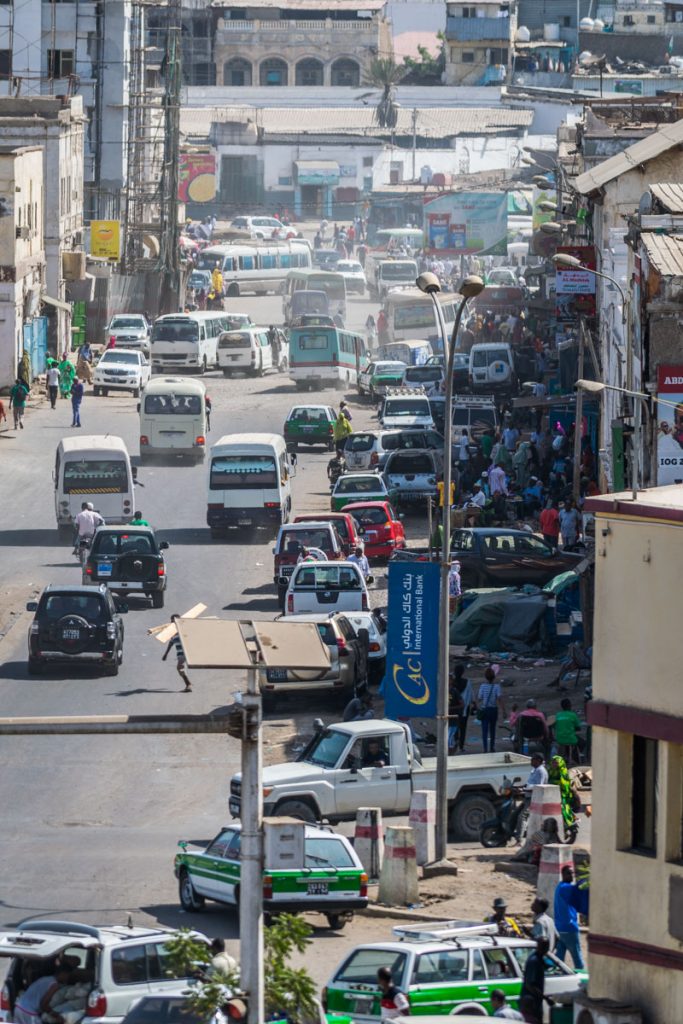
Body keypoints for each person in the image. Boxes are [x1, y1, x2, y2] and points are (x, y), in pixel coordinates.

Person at [554, 865, 586, 970]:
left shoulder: (560, 886)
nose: (572, 875)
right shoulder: (566, 888)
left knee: (558, 960)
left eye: (573, 873)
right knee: (578, 959)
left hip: (559, 928)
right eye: (569, 873)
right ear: (562, 874)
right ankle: (584, 982)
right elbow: (579, 889)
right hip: (570, 928)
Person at [520, 937, 551, 1024]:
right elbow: (530, 985)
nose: (545, 949)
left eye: (546, 946)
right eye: (543, 946)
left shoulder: (539, 958)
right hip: (530, 1004)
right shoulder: (534, 961)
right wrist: (545, 997)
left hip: (536, 1002)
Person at [162, 613, 192, 692]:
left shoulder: (183, 629)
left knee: (179, 667)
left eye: (175, 621)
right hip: (179, 654)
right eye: (172, 621)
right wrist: (166, 654)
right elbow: (171, 643)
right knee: (180, 669)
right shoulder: (172, 632)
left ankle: (188, 685)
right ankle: (188, 684)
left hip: (185, 652)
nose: (173, 623)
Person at [477, 666, 504, 752]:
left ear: (485, 677)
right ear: (494, 677)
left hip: (485, 710)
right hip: (493, 710)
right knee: (492, 730)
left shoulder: (482, 686)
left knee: (484, 731)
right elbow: (499, 699)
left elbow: (480, 698)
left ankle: (485, 748)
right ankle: (492, 747)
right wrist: (504, 710)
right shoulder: (497, 687)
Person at [548, 755, 577, 833]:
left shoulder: (562, 770)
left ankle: (569, 822)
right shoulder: (550, 770)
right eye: (553, 763)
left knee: (563, 807)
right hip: (552, 792)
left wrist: (552, 782)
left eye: (556, 763)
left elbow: (563, 784)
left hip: (563, 793)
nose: (554, 764)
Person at [449, 664, 473, 752]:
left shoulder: (452, 684)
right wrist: (473, 704)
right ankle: (461, 746)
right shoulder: (467, 682)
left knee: (454, 727)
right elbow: (470, 696)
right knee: (463, 728)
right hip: (464, 709)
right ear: (463, 672)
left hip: (453, 709)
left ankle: (455, 743)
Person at [554, 697, 583, 764]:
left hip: (560, 739)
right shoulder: (573, 715)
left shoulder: (558, 715)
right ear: (570, 706)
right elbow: (578, 728)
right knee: (582, 743)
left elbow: (555, 726)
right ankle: (574, 757)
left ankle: (567, 756)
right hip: (571, 739)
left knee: (566, 743)